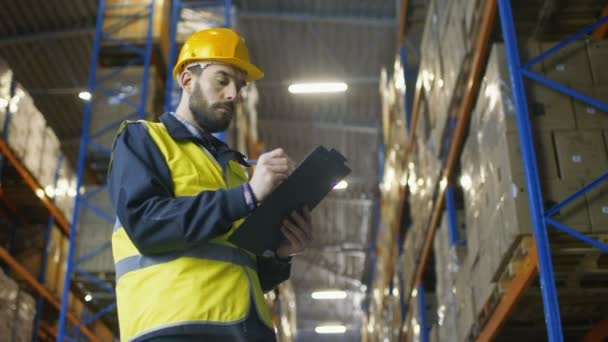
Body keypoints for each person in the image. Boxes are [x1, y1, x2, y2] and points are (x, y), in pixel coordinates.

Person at [108, 28, 314, 342]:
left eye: (239, 86)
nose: (234, 94)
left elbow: (240, 268)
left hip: (247, 331)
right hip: (176, 327)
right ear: (187, 80)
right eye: (222, 80)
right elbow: (147, 224)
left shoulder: (234, 169)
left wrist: (282, 253)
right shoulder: (144, 139)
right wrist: (246, 195)